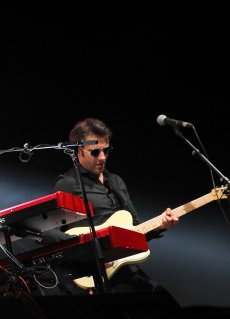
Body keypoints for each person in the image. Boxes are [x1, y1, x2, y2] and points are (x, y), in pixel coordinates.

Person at [38, 117, 178, 295]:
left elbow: (135, 229)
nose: (102, 157)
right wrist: (89, 250)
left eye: (106, 150)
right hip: (91, 271)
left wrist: (160, 225)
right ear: (79, 151)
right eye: (95, 152)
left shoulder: (116, 181)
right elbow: (47, 233)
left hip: (125, 269)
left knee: (161, 297)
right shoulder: (68, 184)